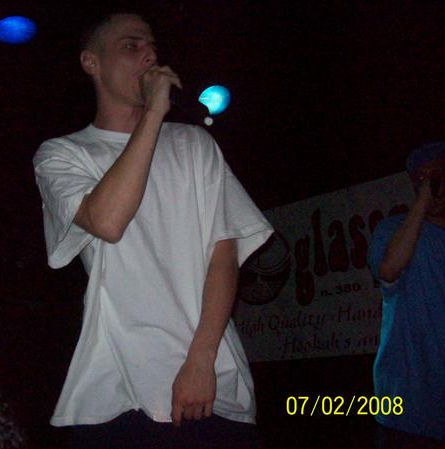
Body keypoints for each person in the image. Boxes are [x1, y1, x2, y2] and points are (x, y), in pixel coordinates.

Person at [33, 13, 273, 449]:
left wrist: (201, 360)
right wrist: (153, 114)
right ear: (91, 62)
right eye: (131, 46)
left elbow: (223, 255)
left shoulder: (194, 145)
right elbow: (107, 221)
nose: (149, 55)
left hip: (212, 385)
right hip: (114, 392)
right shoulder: (63, 154)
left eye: (152, 47)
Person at [368, 141, 445, 449]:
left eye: (437, 175)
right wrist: (424, 201)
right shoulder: (392, 230)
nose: (431, 183)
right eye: (421, 179)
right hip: (405, 408)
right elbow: (389, 269)